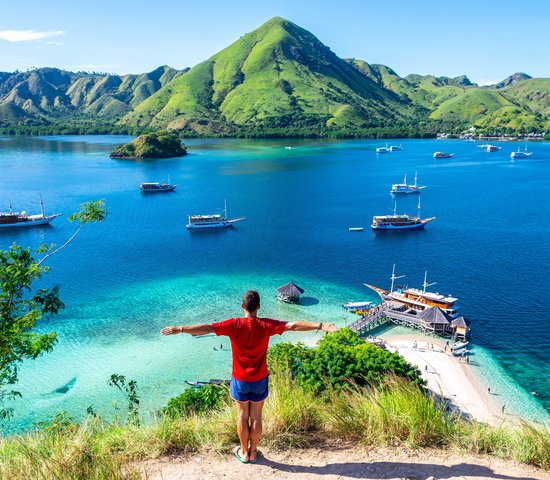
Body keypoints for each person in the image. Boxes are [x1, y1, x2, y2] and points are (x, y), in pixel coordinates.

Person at [160, 290, 338, 464]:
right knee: (257, 416)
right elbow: (292, 326)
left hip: (240, 379)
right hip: (259, 379)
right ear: (258, 307)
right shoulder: (267, 325)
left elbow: (207, 327)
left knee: (242, 415)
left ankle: (244, 452)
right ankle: (253, 453)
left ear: (242, 306)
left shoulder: (233, 324)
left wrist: (179, 329)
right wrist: (320, 325)